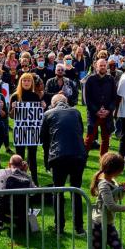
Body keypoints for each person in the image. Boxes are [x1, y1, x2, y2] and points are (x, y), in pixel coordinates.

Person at [40, 94, 87, 235]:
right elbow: (80, 131)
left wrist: (47, 162)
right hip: (78, 155)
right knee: (76, 191)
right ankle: (79, 228)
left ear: (53, 104)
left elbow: (44, 140)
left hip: (59, 156)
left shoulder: (48, 114)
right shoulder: (76, 112)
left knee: (58, 192)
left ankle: (59, 227)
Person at [89, 152, 125, 249]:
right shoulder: (104, 185)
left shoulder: (112, 180)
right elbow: (111, 206)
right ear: (116, 170)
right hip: (98, 224)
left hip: (109, 224)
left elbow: (117, 197)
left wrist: (123, 190)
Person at [0, 154, 36, 231]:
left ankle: (0, 222)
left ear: (9, 164)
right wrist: (25, 172)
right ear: (22, 164)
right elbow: (33, 192)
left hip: (4, 211)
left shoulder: (1, 172)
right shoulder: (27, 176)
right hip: (21, 213)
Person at [83, 59, 117, 157]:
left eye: (104, 65)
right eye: (100, 65)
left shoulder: (111, 79)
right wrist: (96, 111)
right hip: (93, 114)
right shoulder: (90, 80)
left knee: (105, 139)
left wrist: (108, 110)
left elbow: (114, 98)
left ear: (106, 66)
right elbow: (87, 99)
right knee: (89, 139)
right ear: (96, 66)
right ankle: (82, 160)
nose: (102, 67)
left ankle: (103, 162)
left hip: (107, 114)